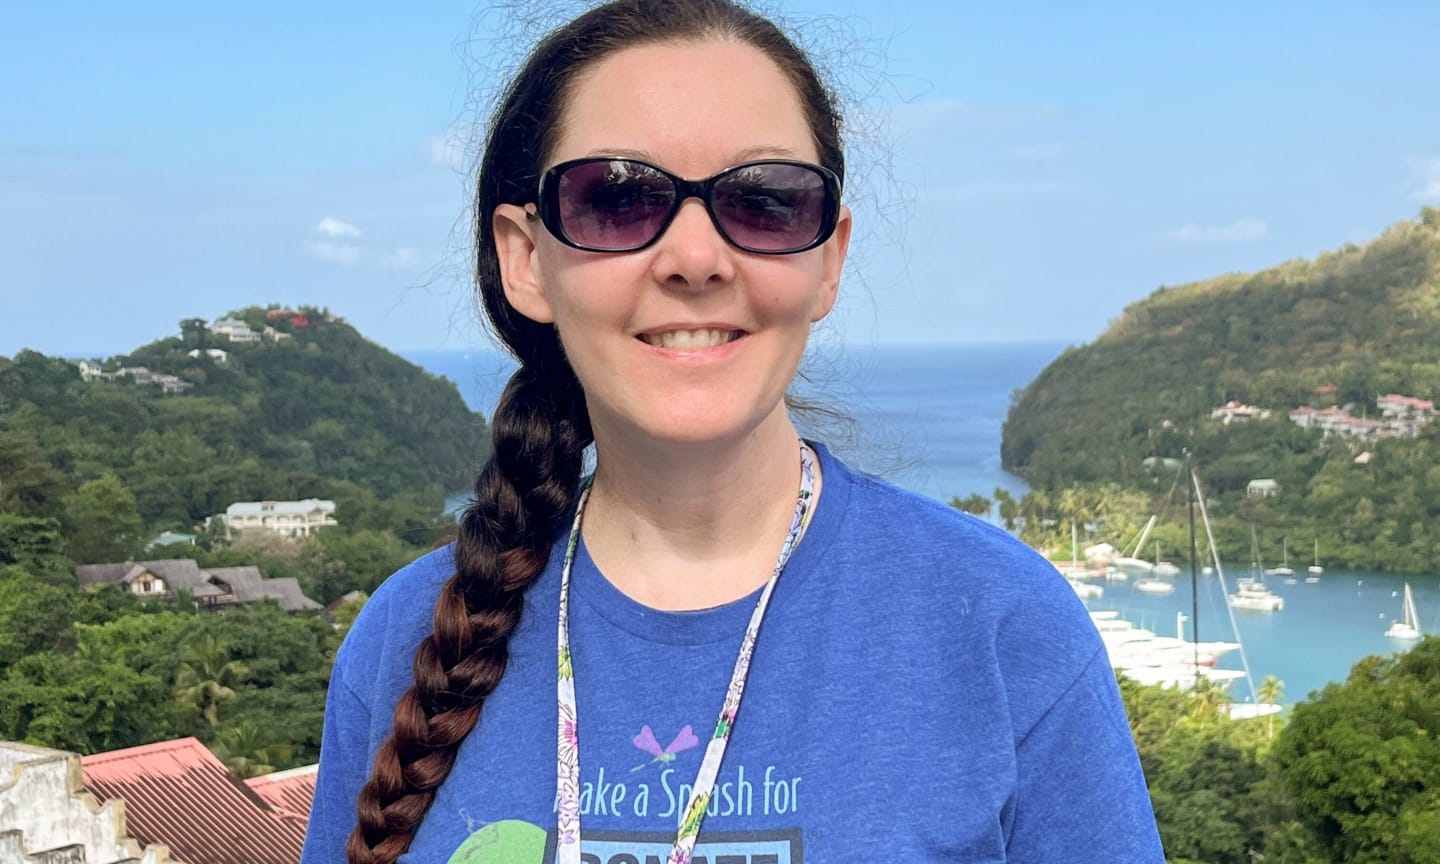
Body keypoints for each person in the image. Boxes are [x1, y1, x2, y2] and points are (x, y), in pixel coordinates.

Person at [302, 1, 1165, 862]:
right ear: (526, 260)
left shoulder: (998, 625)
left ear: (828, 257)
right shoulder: (409, 636)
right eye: (617, 199)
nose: (696, 257)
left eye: (764, 203)